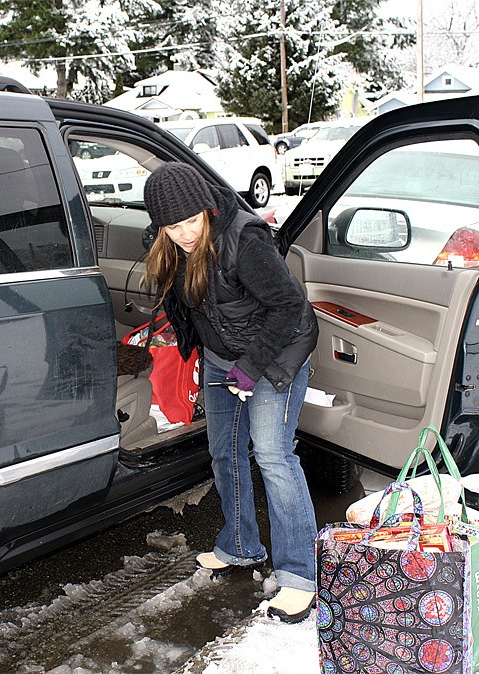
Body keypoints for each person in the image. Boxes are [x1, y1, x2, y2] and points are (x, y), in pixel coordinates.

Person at [142, 162, 319, 623]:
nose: (184, 234)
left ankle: (300, 575)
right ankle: (240, 545)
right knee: (224, 453)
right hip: (224, 361)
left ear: (207, 210)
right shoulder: (172, 247)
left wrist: (251, 369)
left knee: (274, 457)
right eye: (172, 226)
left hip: (276, 355)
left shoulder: (245, 240)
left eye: (191, 222)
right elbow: (198, 307)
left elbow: (289, 308)